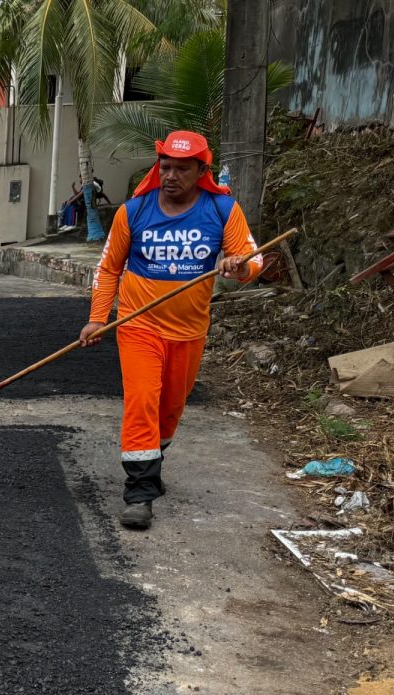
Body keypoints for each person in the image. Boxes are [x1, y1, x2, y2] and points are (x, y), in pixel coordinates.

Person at [79, 130, 262, 531]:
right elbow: (109, 268)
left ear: (201, 170)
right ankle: (140, 492)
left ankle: (152, 461)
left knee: (170, 410)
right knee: (142, 399)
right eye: (165, 167)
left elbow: (253, 262)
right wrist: (98, 317)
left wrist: (239, 266)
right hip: (138, 324)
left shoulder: (222, 210)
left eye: (182, 169)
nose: (171, 176)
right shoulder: (135, 211)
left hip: (190, 331)